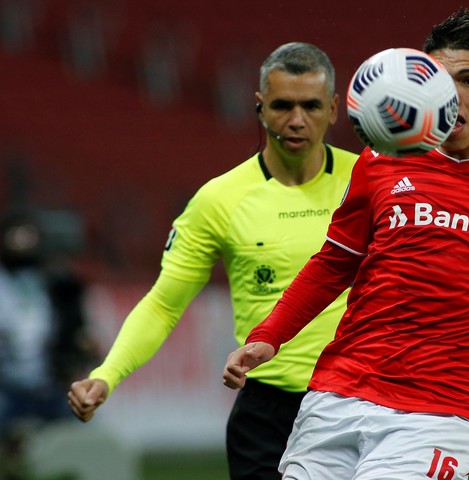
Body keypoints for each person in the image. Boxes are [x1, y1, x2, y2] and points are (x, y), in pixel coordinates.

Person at [223, 8, 469, 480]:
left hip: (449, 408)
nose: (455, 99)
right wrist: (268, 336)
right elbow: (333, 263)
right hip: (343, 389)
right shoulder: (382, 162)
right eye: (442, 84)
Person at [67, 42, 357, 479]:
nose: (297, 120)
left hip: (357, 403)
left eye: (311, 106)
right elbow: (164, 303)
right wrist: (107, 374)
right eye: (282, 105)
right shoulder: (219, 199)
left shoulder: (369, 184)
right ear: (259, 107)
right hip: (267, 413)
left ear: (334, 108)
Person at [0, 208, 96, 478]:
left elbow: (76, 332)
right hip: (7, 387)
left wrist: (81, 344)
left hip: (48, 387)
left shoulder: (54, 285)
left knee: (83, 445)